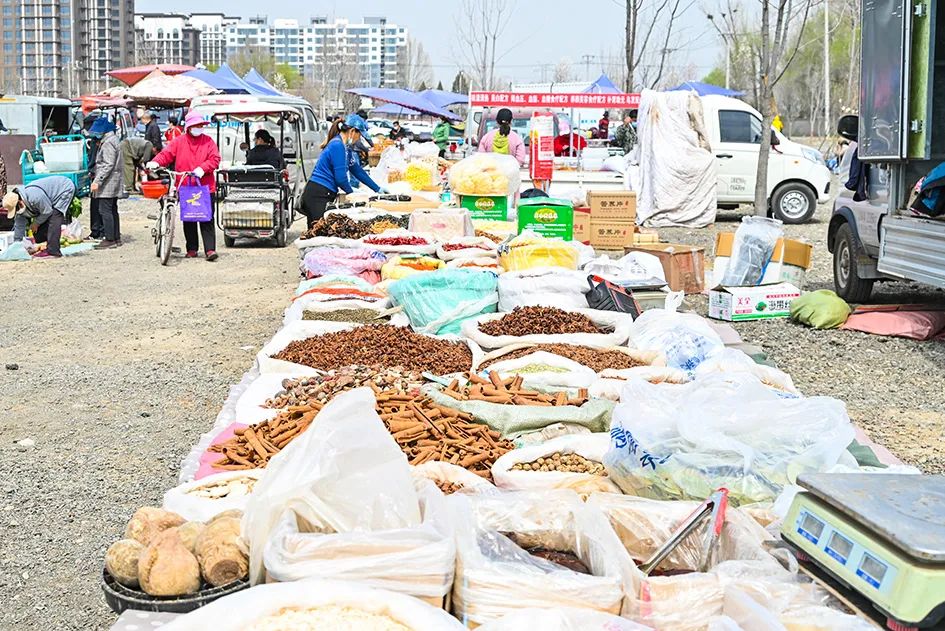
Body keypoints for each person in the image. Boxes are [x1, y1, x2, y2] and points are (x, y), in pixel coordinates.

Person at [147, 111, 222, 261]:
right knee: (189, 218)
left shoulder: (208, 141)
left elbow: (215, 159)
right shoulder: (179, 141)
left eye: (201, 125)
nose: (199, 127)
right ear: (189, 127)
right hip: (185, 184)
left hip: (205, 186)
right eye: (196, 125)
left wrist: (203, 168)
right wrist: (156, 161)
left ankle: (210, 249)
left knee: (207, 217)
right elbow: (166, 154)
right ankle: (192, 248)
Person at [299, 114, 387, 227]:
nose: (359, 139)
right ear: (352, 131)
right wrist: (353, 195)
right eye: (359, 135)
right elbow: (340, 178)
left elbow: (357, 171)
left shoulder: (346, 148)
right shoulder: (337, 145)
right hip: (318, 194)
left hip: (324, 194)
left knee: (320, 233)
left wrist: (377, 188)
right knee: (318, 233)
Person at [2, 175, 76, 259]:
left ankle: (53, 251)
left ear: (20, 202)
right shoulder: (19, 208)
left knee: (54, 218)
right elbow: (19, 226)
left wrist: (36, 223)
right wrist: (16, 246)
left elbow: (47, 211)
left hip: (64, 189)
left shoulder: (34, 197)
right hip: (49, 200)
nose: (17, 211)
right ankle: (47, 246)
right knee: (38, 230)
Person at [90, 116, 126, 249]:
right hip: (113, 180)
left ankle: (110, 239)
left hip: (108, 182)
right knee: (112, 209)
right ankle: (116, 237)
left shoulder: (108, 142)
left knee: (104, 210)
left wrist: (97, 181)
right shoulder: (113, 139)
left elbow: (108, 164)